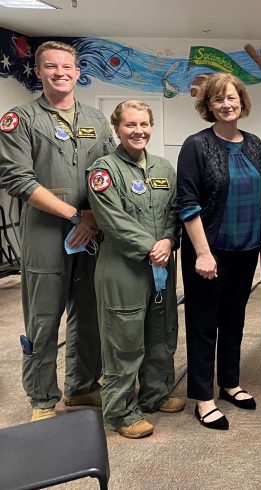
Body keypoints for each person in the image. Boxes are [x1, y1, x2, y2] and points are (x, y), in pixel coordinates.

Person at [0, 41, 114, 421]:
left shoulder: (97, 121)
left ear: (78, 72)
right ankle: (42, 398)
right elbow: (19, 180)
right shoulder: (21, 119)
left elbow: (111, 171)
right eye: (51, 66)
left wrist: (95, 218)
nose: (60, 72)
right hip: (46, 233)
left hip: (91, 231)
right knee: (43, 317)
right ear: (38, 72)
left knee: (89, 313)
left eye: (67, 66)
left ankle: (82, 387)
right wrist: (74, 215)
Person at [86, 100, 184, 438]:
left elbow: (175, 212)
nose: (138, 131)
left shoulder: (163, 167)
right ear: (117, 128)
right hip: (123, 267)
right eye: (130, 125)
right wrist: (151, 247)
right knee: (124, 339)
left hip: (161, 267)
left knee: (161, 332)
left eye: (143, 124)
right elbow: (111, 220)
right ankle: (121, 411)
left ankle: (156, 395)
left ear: (151, 125)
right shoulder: (104, 169)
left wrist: (169, 241)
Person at [177, 73, 261, 430]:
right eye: (219, 100)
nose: (227, 104)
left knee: (235, 319)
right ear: (208, 106)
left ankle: (229, 383)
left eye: (232, 98)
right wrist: (202, 252)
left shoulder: (255, 144)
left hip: (245, 249)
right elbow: (187, 203)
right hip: (208, 252)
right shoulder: (196, 145)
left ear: (242, 102)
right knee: (203, 324)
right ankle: (203, 397)